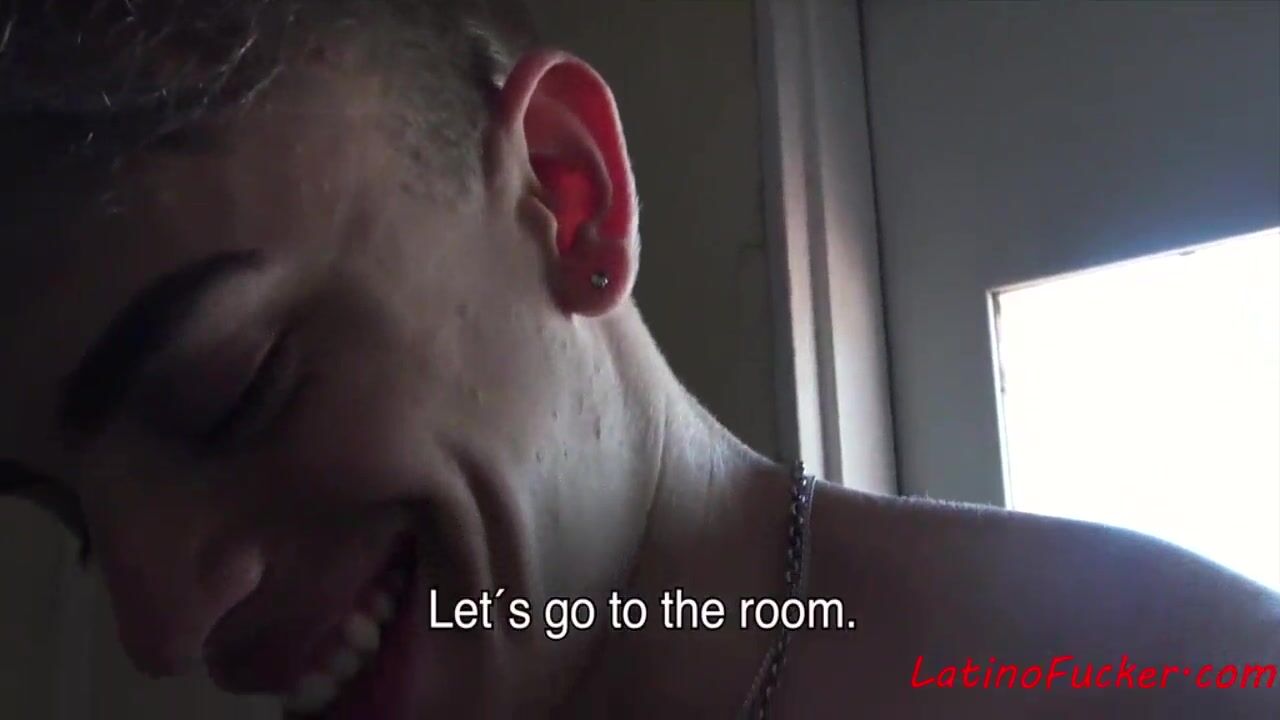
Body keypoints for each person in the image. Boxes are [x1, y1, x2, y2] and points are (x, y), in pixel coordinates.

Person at [0, 1, 1275, 718]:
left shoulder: (1178, 684)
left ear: (571, 199)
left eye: (226, 394)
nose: (160, 633)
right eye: (74, 521)